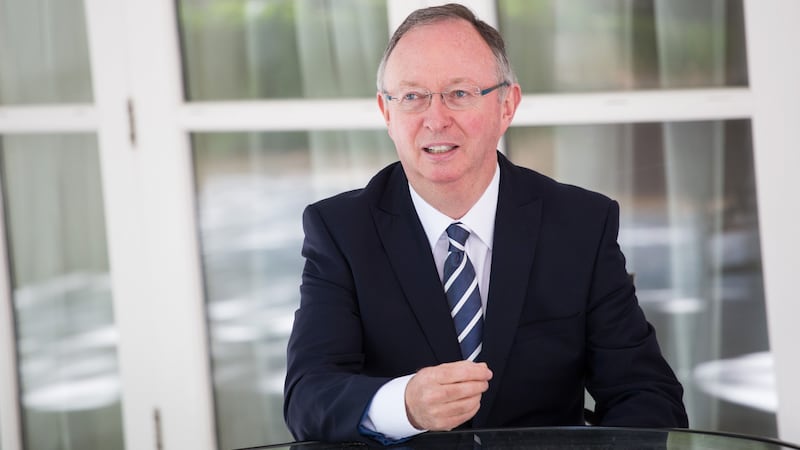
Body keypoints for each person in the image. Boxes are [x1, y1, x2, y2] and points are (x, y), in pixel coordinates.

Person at [283, 3, 688, 445]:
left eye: (459, 93)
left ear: (507, 105)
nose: (435, 119)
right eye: (413, 96)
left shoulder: (580, 225)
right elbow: (308, 398)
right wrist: (405, 405)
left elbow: (647, 395)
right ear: (386, 112)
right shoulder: (340, 231)